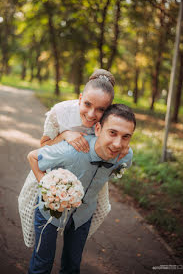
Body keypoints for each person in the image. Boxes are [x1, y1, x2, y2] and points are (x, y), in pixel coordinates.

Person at [18, 69, 130, 248]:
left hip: (89, 176)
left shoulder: (108, 121)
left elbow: (118, 135)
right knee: (46, 232)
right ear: (80, 98)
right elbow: (43, 147)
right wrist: (65, 135)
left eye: (101, 109)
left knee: (85, 218)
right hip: (56, 173)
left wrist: (122, 146)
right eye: (87, 104)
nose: (92, 114)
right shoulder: (61, 112)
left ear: (108, 109)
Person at [27, 103, 136, 274]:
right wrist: (47, 186)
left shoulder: (125, 156)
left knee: (72, 265)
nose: (117, 144)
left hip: (83, 215)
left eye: (126, 137)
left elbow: (119, 167)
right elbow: (33, 157)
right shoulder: (72, 150)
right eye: (112, 133)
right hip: (50, 211)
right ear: (98, 129)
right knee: (42, 264)